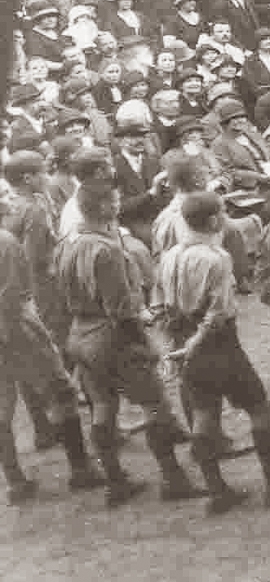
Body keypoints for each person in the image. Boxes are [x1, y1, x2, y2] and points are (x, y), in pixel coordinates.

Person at [55, 153, 201, 507]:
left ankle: (115, 482)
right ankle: (173, 478)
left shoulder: (68, 243)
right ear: (105, 207)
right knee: (155, 406)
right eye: (116, 200)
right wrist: (145, 346)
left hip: (81, 334)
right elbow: (121, 310)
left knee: (103, 407)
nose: (119, 204)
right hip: (112, 338)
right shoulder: (107, 250)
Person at [156, 188, 270, 513]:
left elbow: (163, 305)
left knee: (203, 413)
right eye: (223, 212)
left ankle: (217, 491)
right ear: (213, 220)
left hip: (184, 338)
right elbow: (218, 312)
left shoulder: (170, 256)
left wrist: (179, 346)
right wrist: (197, 341)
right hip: (218, 343)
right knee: (261, 407)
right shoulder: (216, 258)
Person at [0, 186, 102, 504]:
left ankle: (15, 481)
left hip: (10, 325)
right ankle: (81, 469)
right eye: (3, 197)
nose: (9, 200)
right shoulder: (5, 241)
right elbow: (13, 293)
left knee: (2, 408)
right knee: (60, 391)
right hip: (15, 326)